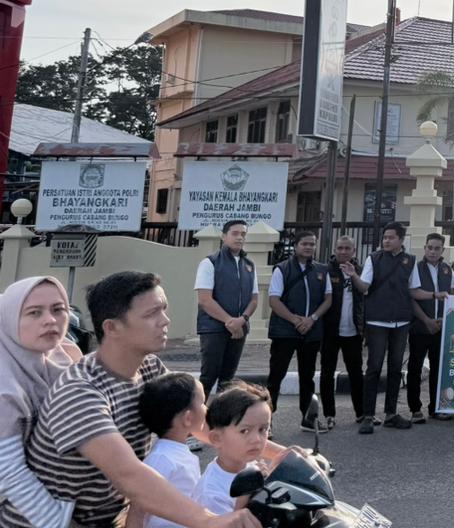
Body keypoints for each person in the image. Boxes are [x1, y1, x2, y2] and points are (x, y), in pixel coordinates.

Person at [9, 270, 267, 528]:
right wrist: (209, 520)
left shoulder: (149, 368)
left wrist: (279, 455)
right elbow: (129, 475)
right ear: (112, 328)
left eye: (163, 309)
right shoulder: (79, 392)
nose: (165, 320)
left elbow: (201, 421)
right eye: (151, 313)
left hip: (108, 518)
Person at [0, 276, 81, 528]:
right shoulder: (5, 388)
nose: (50, 320)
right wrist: (59, 523)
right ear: (9, 319)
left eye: (58, 309)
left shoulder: (63, 358)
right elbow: (8, 473)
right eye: (34, 313)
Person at [351, 221, 422, 435]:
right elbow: (364, 287)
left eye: (391, 237)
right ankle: (368, 416)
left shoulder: (410, 261)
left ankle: (391, 413)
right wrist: (353, 275)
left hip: (401, 321)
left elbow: (414, 291)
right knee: (374, 367)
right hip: (377, 321)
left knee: (395, 368)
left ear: (401, 239)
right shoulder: (373, 259)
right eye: (385, 237)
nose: (387, 241)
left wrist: (436, 296)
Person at [265, 230, 332, 423]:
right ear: (296, 246)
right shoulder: (282, 269)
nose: (308, 247)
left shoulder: (322, 270)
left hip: (311, 332)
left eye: (312, 244)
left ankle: (308, 419)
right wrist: (296, 320)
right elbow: (274, 300)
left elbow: (328, 299)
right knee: (276, 376)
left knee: (307, 377)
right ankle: (267, 421)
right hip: (284, 331)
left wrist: (312, 319)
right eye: (304, 244)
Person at [194, 220, 258, 415]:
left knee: (228, 380)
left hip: (239, 329)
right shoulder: (210, 263)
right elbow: (205, 300)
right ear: (224, 236)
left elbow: (254, 299)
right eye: (235, 233)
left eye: (243, 234)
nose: (239, 237)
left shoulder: (249, 265)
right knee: (208, 376)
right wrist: (230, 321)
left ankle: (220, 420)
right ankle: (195, 420)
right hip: (213, 328)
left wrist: (242, 320)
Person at [133, 372, 206, 528]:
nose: (206, 409)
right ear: (188, 418)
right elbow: (138, 508)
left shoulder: (177, 452)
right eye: (202, 403)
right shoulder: (162, 458)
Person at [195, 383, 271, 517]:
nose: (257, 439)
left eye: (263, 429)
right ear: (216, 438)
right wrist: (245, 497)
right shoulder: (211, 493)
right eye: (245, 431)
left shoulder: (249, 465)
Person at [407, 232, 452, 424]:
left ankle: (435, 407)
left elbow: (451, 297)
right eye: (430, 248)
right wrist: (426, 320)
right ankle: (415, 409)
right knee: (415, 368)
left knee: (438, 369)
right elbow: (411, 297)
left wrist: (443, 320)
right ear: (425, 248)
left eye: (437, 248)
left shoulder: (448, 270)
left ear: (443, 250)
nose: (433, 251)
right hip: (419, 326)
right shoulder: (415, 268)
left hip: (441, 327)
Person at [321, 236, 364, 429]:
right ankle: (329, 414)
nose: (343, 251)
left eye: (347, 248)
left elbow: (366, 295)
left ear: (354, 251)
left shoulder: (360, 271)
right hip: (330, 331)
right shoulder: (326, 271)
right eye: (340, 248)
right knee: (327, 373)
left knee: (356, 373)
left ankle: (361, 413)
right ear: (334, 249)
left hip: (353, 331)